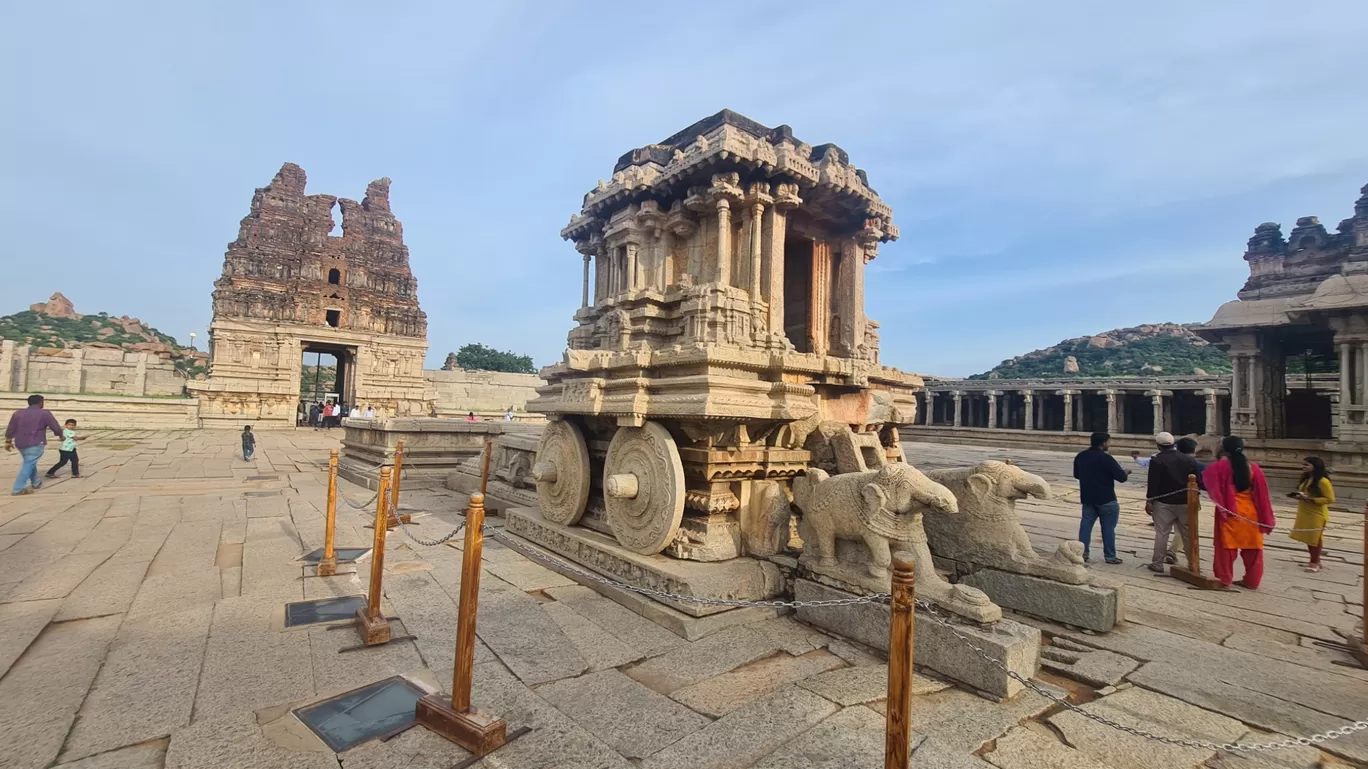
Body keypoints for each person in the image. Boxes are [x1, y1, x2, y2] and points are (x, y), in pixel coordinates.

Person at [1202, 436, 1276, 589]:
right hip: (1251, 514)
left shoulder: (1219, 467)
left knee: (1226, 549)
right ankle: (1252, 581)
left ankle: (1224, 578)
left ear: (1224, 449)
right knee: (1253, 549)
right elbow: (1262, 495)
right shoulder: (1253, 468)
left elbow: (1206, 481)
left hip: (1230, 513)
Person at [1144, 432, 1198, 572]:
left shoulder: (1157, 460)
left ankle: (1157, 563)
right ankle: (1193, 564)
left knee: (1162, 533)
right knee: (1187, 534)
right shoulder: (1188, 460)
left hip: (1163, 502)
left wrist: (1150, 501)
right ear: (1173, 444)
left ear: (1158, 446)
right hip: (1185, 501)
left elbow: (1153, 483)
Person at [1073, 431, 1128, 564]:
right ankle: (1110, 556)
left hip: (1088, 497)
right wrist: (1126, 472)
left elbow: (1077, 475)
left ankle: (1083, 553)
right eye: (1108, 442)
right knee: (1108, 528)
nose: (1109, 444)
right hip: (1106, 498)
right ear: (1103, 443)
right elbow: (1121, 477)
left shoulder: (1081, 456)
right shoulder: (1106, 458)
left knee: (1085, 526)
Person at [5, 394, 63, 496]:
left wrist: (8, 441)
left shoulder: (18, 413)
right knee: (28, 464)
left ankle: (36, 482)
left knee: (30, 461)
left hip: (20, 443)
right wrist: (60, 435)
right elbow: (55, 426)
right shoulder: (44, 413)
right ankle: (18, 488)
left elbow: (11, 428)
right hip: (36, 442)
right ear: (41, 402)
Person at [1288, 456, 1333, 573]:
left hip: (1316, 513)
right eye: (1303, 464)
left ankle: (1314, 562)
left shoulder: (1323, 481)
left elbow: (1330, 499)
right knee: (1309, 538)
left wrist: (1313, 500)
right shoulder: (1306, 479)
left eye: (1307, 465)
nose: (1304, 467)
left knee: (1315, 538)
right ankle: (1315, 560)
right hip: (1305, 511)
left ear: (1315, 467)